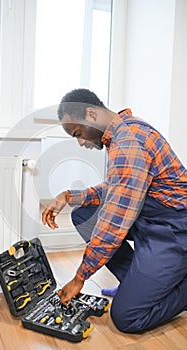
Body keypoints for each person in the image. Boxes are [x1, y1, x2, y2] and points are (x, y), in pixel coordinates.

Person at [42, 88, 187, 333]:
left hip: (174, 231)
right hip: (151, 223)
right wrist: (69, 196)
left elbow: (113, 224)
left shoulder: (130, 143)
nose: (79, 142)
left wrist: (80, 278)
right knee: (82, 214)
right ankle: (134, 283)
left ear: (91, 114)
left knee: (126, 317)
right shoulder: (120, 134)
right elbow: (114, 189)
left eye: (78, 133)